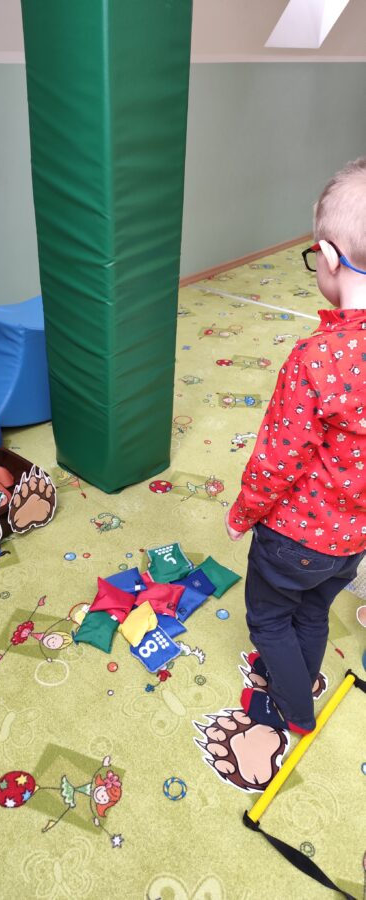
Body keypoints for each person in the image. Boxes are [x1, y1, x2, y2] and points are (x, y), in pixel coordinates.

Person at [225, 158, 366, 735]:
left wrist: (243, 512)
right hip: (353, 539)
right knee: (313, 610)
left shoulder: (317, 358)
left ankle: (293, 709)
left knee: (269, 619)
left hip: (295, 537)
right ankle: (302, 676)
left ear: (328, 257)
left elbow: (278, 459)